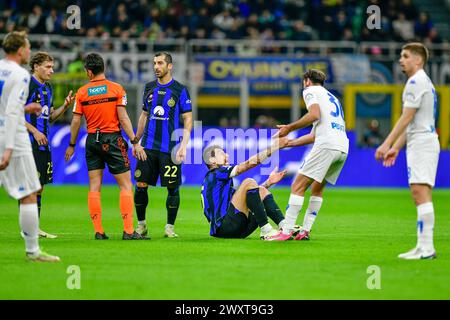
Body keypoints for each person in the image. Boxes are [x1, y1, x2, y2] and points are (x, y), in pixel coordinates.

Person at [64, 52, 148, 240]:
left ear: (89, 72)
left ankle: (99, 231)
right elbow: (123, 118)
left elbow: (76, 122)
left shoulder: (82, 92)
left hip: (92, 140)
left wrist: (71, 144)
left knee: (94, 186)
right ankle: (128, 231)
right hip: (112, 140)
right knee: (126, 185)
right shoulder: (116, 89)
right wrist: (135, 142)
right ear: (103, 69)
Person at [268, 69, 349, 241]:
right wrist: (289, 143)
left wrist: (289, 127)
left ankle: (286, 231)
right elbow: (313, 135)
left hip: (327, 145)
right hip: (342, 147)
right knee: (317, 189)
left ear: (307, 81)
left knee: (297, 185)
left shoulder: (310, 91)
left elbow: (314, 115)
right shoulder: (332, 98)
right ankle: (305, 230)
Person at [375, 43, 439, 260]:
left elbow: (407, 117)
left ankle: (426, 248)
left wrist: (386, 143)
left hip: (422, 143)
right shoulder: (424, 81)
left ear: (418, 60)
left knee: (419, 192)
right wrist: (396, 148)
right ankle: (423, 246)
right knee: (420, 193)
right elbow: (413, 121)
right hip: (422, 140)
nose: (401, 60)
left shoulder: (415, 82)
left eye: (405, 56)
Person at [0, 31, 60, 262]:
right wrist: (8, 150)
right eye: (27, 47)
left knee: (33, 190)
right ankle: (33, 251)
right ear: (21, 50)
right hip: (14, 137)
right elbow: (12, 112)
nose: (29, 50)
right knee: (29, 193)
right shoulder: (20, 75)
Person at [133, 52, 193, 238]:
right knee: (141, 184)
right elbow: (143, 116)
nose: (156, 67)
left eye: (160, 63)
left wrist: (183, 145)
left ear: (169, 66)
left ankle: (169, 227)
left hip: (170, 149)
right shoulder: (149, 88)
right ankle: (141, 225)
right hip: (148, 148)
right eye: (154, 63)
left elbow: (188, 118)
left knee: (172, 188)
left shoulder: (180, 89)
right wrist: (136, 141)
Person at [25, 51, 75, 239]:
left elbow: (50, 117)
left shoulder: (48, 89)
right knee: (32, 186)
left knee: (39, 187)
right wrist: (35, 131)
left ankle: (33, 227)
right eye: (47, 66)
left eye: (52, 67)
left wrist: (65, 107)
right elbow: (12, 112)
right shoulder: (27, 85)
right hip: (29, 142)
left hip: (43, 144)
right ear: (36, 66)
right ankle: (30, 228)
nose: (51, 71)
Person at [201, 139, 289, 239]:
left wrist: (268, 183)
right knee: (249, 182)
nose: (227, 156)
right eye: (221, 154)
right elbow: (247, 164)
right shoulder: (217, 173)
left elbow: (252, 196)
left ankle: (285, 227)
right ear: (213, 161)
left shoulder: (215, 180)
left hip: (232, 227)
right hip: (225, 226)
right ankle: (266, 230)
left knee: (261, 190)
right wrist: (273, 148)